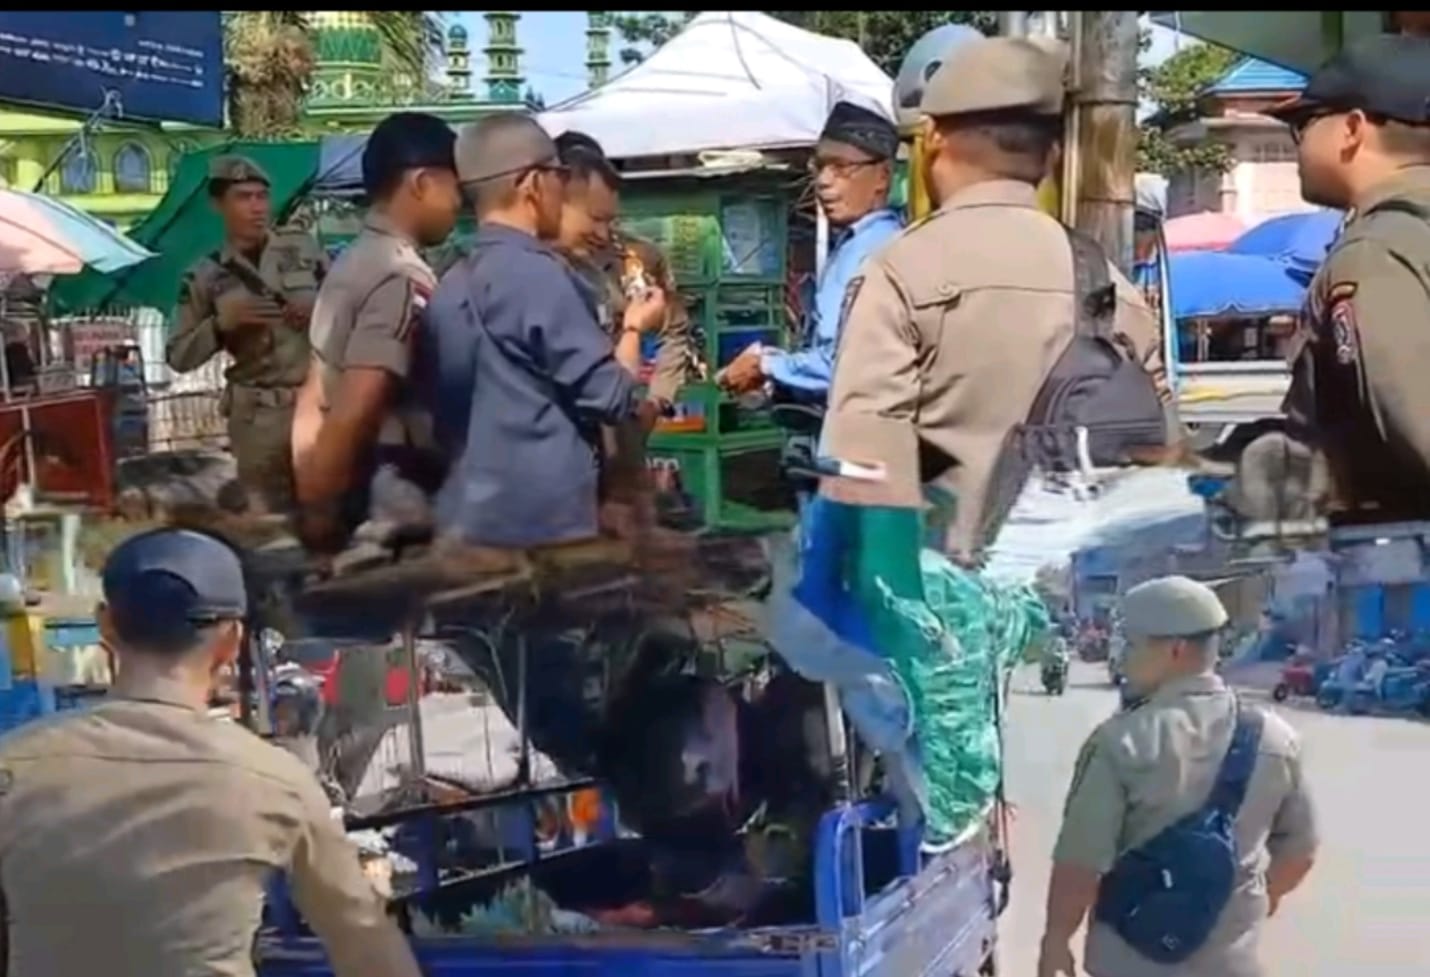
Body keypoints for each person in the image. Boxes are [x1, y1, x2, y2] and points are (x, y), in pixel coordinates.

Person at [0, 528, 421, 977]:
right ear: (231, 640)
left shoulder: (15, 766)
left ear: (106, 626)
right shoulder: (277, 780)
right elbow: (367, 948)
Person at [817, 36, 1172, 565]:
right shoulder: (1107, 281)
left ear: (933, 137)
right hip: (1081, 607)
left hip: (951, 605)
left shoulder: (899, 271)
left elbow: (864, 470)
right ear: (1051, 156)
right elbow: (1162, 447)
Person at [1040, 576, 1318, 977]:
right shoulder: (1276, 737)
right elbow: (1299, 853)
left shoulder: (1123, 740)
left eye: (1132, 644)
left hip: (1131, 962)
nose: (1123, 656)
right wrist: (1246, 904)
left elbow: (1079, 863)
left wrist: (1055, 940)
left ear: (1174, 649)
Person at [420, 112, 659, 547]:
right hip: (541, 528)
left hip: (466, 520)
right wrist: (634, 331)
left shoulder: (452, 280)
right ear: (532, 184)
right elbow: (611, 397)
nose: (562, 187)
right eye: (558, 174)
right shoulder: (539, 277)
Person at [1275, 33, 1430, 528]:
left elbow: (1416, 425)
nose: (1297, 146)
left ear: (1352, 129)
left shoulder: (1374, 252)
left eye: (1303, 124)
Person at [292, 111, 461, 553]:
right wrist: (322, 511)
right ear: (423, 183)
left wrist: (312, 494)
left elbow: (314, 395)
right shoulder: (400, 278)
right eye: (455, 185)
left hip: (355, 495)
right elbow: (359, 401)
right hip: (392, 508)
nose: (460, 202)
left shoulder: (352, 262)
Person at [167, 155, 330, 515]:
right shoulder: (205, 275)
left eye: (261, 197)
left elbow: (347, 309)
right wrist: (220, 325)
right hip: (256, 420)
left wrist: (318, 309)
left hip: (313, 405)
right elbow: (178, 357)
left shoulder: (303, 251)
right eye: (243, 197)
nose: (257, 208)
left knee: (326, 511)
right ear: (218, 205)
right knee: (267, 521)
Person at [719, 100, 904, 399]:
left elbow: (844, 364)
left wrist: (764, 365)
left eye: (841, 168)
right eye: (819, 167)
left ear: (882, 176)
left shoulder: (875, 251)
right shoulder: (854, 244)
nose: (823, 181)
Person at [553, 129, 692, 411]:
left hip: (615, 417)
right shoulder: (517, 269)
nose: (602, 234)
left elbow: (674, 327)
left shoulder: (636, 258)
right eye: (593, 217)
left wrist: (658, 401)